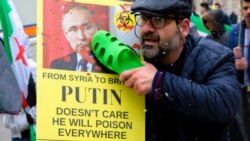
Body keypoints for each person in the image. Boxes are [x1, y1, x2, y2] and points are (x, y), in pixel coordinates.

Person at [119, 0, 241, 140]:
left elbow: (223, 107)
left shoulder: (215, 57)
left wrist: (159, 82)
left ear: (183, 28)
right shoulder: (134, 55)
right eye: (144, 18)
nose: (146, 29)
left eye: (158, 20)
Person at [50, 4, 108, 72]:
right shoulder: (57, 66)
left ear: (98, 28)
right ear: (66, 35)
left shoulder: (113, 64)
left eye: (87, 27)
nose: (81, 37)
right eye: (73, 30)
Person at [228, 0, 250, 138]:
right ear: (241, 10)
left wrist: (248, 65)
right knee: (244, 125)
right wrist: (233, 57)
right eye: (246, 8)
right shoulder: (236, 31)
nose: (249, 11)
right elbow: (227, 58)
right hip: (241, 88)